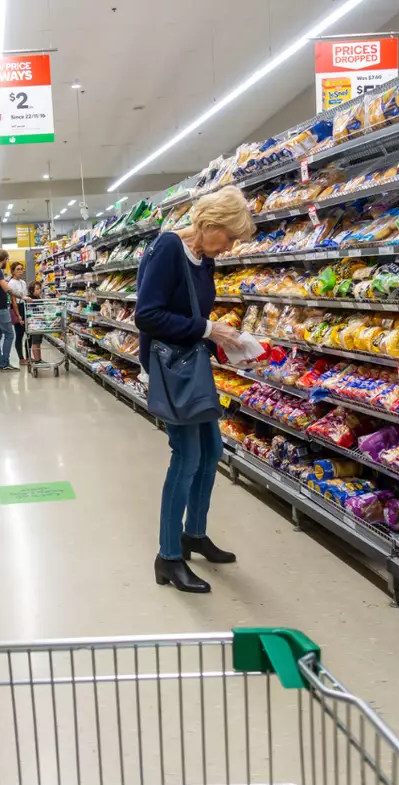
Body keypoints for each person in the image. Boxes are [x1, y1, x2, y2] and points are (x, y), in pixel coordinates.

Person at [134, 186, 256, 595]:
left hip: (195, 366)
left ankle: (194, 535)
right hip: (173, 373)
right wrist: (207, 329)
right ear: (210, 224)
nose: (232, 246)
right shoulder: (168, 247)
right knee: (185, 456)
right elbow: (147, 315)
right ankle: (168, 557)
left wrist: (228, 341)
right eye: (231, 236)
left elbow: (196, 313)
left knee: (212, 453)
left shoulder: (206, 259)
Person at [8, 262, 28, 365]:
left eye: (21, 269)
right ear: (13, 271)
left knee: (28, 333)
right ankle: (21, 358)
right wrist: (18, 315)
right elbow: (13, 301)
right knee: (19, 334)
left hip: (24, 307)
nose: (21, 271)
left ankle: (28, 357)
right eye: (18, 269)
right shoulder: (11, 283)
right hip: (17, 308)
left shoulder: (23, 282)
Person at [27, 280, 45, 361]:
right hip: (35, 325)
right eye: (37, 289)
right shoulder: (31, 299)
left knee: (38, 343)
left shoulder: (38, 298)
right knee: (35, 343)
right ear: (32, 290)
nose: (39, 290)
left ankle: (39, 359)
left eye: (40, 288)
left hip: (40, 324)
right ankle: (37, 360)